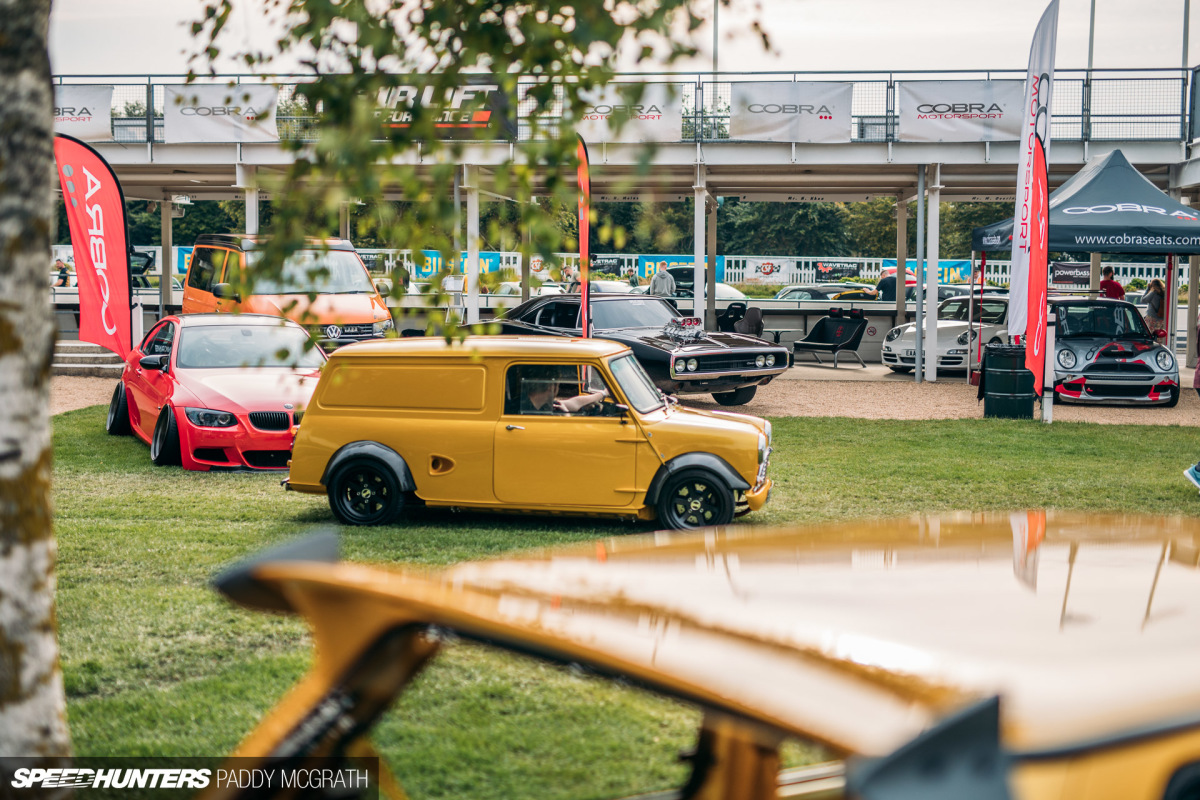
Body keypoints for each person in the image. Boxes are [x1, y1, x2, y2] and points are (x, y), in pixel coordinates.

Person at [517, 365, 606, 415]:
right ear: (552, 387)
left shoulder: (540, 404)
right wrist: (566, 415)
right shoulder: (526, 412)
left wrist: (603, 393)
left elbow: (575, 402)